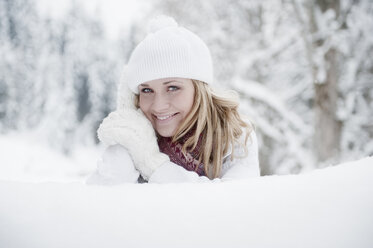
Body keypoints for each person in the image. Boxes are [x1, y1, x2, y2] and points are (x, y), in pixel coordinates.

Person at [87, 16, 260, 184]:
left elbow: (229, 202)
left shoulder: (234, 135)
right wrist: (127, 124)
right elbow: (103, 198)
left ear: (199, 89)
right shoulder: (137, 137)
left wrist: (153, 164)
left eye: (173, 88)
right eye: (147, 90)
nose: (159, 105)